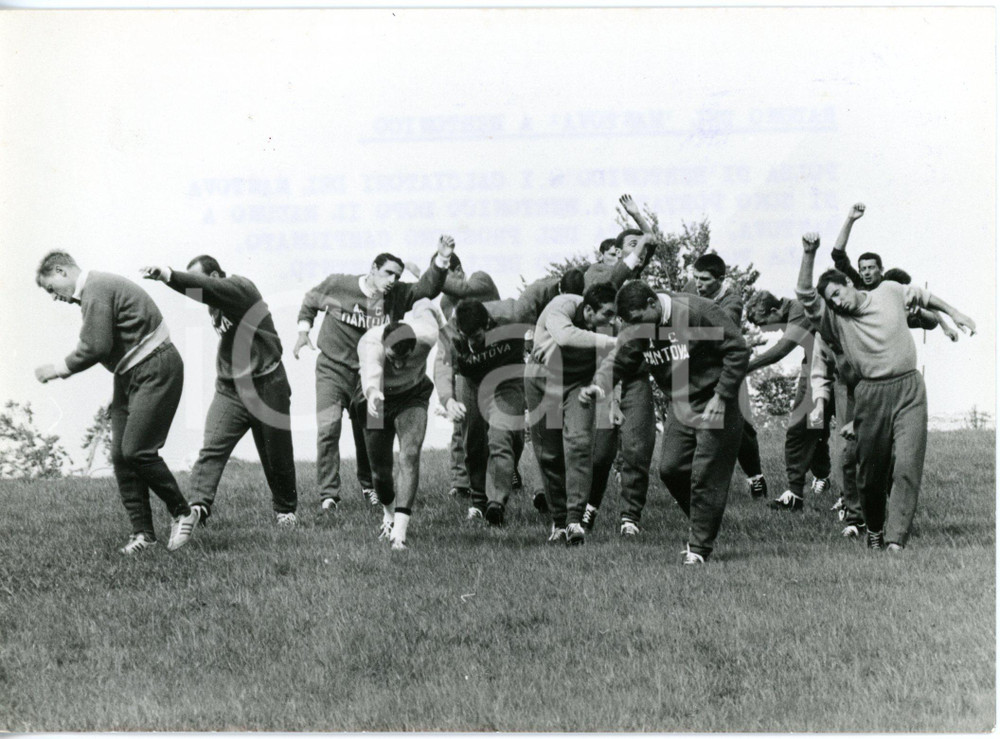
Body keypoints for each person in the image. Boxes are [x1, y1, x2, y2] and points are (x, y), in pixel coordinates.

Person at [795, 232, 975, 551]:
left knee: (906, 465)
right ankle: (875, 527)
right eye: (831, 300)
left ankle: (895, 541)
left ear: (850, 284)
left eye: (838, 293)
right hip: (871, 395)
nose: (837, 301)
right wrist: (808, 254)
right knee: (870, 476)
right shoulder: (835, 319)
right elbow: (806, 294)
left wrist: (956, 315)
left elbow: (923, 297)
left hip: (909, 391)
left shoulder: (889, 291)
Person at [34, 251, 198, 554]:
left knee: (137, 450)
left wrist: (57, 369)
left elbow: (96, 345)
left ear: (60, 271)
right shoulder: (92, 292)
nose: (54, 298)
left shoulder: (96, 288)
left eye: (51, 289)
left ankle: (183, 512)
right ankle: (143, 536)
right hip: (129, 374)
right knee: (122, 456)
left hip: (155, 366)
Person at [583, 279, 750, 564]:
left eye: (637, 320)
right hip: (681, 403)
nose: (635, 328)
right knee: (671, 469)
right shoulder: (638, 326)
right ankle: (705, 520)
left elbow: (738, 350)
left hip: (716, 401)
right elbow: (618, 360)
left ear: (652, 304)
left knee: (704, 474)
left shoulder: (698, 311)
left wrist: (721, 396)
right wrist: (599, 387)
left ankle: (698, 548)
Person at [295, 237, 454, 514]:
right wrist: (303, 331)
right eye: (388, 273)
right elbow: (310, 300)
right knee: (328, 428)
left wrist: (441, 260)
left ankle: (369, 486)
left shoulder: (395, 295)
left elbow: (427, 287)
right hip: (333, 368)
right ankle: (329, 495)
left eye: (397, 275)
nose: (392, 279)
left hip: (369, 372)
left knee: (369, 432)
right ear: (373, 269)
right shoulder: (339, 285)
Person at [141, 256, 297, 527]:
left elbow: (206, 288)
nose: (196, 292)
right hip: (231, 388)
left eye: (199, 281)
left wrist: (169, 274)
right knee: (212, 447)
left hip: (267, 383)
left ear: (214, 277)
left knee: (276, 454)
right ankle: (197, 508)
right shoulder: (213, 304)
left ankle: (285, 511)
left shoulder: (240, 288)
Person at [526, 283, 618, 546]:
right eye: (608, 314)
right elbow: (566, 337)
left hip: (578, 384)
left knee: (579, 443)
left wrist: (611, 398)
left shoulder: (612, 327)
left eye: (615, 314)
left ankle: (574, 520)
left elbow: (617, 363)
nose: (613, 321)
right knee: (549, 452)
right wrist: (611, 340)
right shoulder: (561, 306)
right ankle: (558, 520)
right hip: (542, 382)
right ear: (588, 310)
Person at [357, 300, 445, 550]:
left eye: (404, 358)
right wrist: (373, 393)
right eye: (393, 358)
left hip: (412, 395)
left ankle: (400, 534)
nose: (398, 365)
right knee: (380, 472)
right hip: (377, 396)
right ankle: (388, 514)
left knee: (410, 454)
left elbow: (425, 304)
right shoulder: (369, 343)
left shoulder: (427, 333)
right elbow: (371, 372)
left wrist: (446, 330)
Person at [680, 252, 768, 499]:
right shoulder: (690, 287)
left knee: (740, 427)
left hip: (727, 368)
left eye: (705, 280)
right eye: (696, 277)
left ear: (720, 279)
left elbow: (720, 330)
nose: (698, 284)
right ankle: (697, 482)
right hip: (697, 370)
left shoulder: (733, 300)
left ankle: (756, 478)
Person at [436, 298, 526, 526]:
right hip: (473, 383)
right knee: (474, 441)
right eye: (466, 339)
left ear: (488, 324)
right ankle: (478, 501)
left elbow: (545, 303)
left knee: (503, 436)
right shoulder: (450, 334)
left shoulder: (512, 315)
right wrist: (448, 400)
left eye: (476, 337)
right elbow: (443, 367)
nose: (472, 344)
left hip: (507, 379)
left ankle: (496, 503)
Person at [745, 289, 831, 510]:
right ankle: (819, 478)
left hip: (829, 365)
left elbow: (782, 349)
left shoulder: (799, 309)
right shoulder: (793, 309)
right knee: (814, 426)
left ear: (775, 310)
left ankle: (797, 493)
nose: (766, 329)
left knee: (798, 431)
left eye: (765, 323)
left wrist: (746, 367)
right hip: (816, 361)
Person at [432, 254, 508, 500]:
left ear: (458, 270)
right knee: (462, 420)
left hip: (497, 359)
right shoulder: (445, 303)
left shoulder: (481, 281)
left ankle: (506, 473)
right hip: (467, 362)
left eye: (444, 274)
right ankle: (461, 480)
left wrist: (429, 277)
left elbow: (462, 288)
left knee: (502, 424)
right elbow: (449, 339)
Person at [832, 202, 959, 339]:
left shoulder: (892, 286)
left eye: (871, 268)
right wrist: (850, 219)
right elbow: (838, 255)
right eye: (863, 269)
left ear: (881, 270)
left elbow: (926, 302)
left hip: (889, 333)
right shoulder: (858, 284)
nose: (867, 272)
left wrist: (945, 327)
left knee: (925, 319)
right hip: (865, 336)